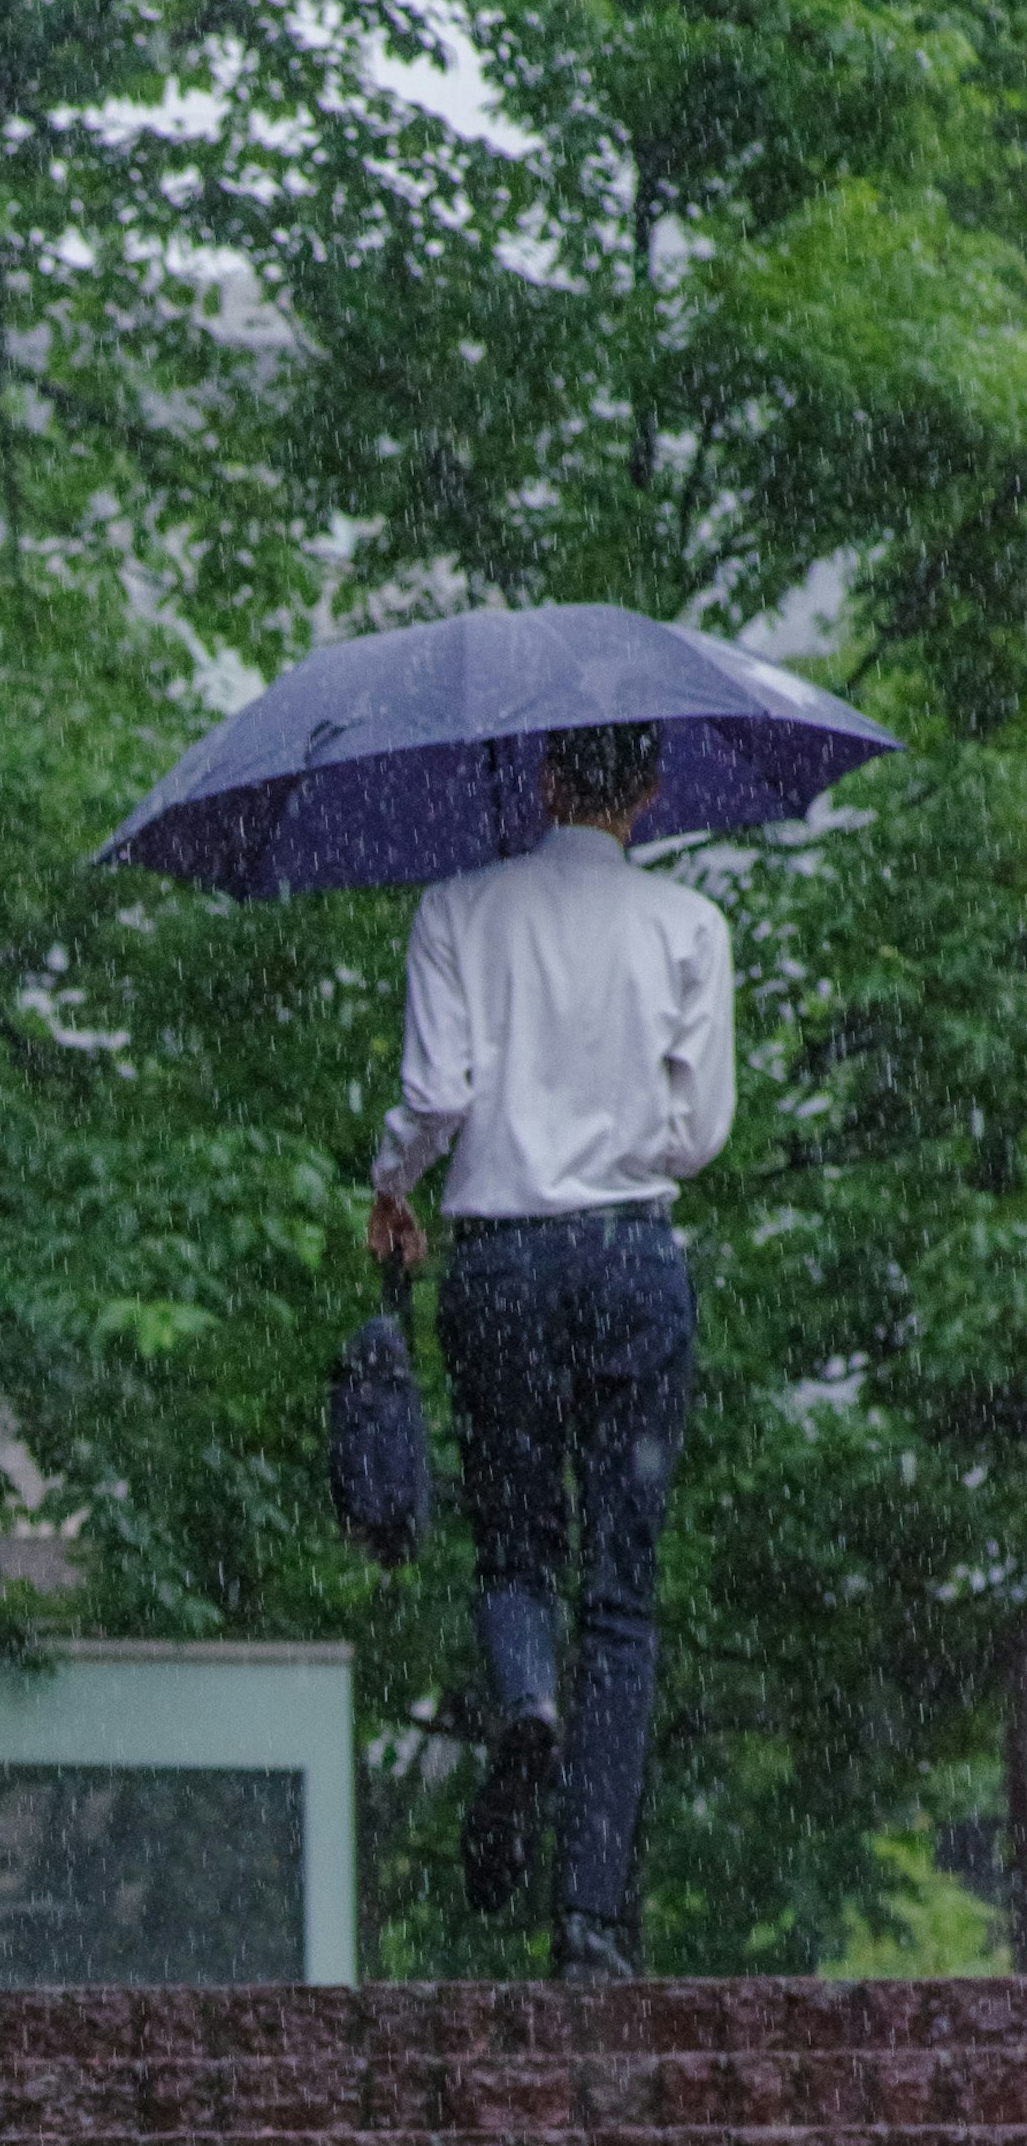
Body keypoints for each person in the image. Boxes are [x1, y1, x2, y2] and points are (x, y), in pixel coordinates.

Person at [367, 716, 735, 1980]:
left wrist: (393, 1183)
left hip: (502, 1266)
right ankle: (589, 1922)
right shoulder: (688, 925)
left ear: (541, 782)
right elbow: (696, 1138)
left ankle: (525, 1698)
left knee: (517, 1541)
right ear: (649, 790)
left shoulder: (457, 907)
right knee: (622, 1599)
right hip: (635, 1261)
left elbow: (438, 1096)